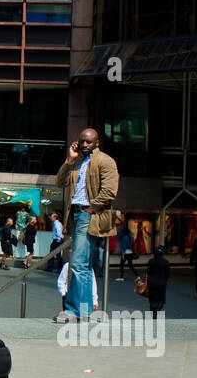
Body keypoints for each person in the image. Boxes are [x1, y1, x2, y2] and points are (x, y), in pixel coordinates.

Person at [53, 128, 120, 323]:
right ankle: (86, 311)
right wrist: (69, 160)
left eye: (88, 142)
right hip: (76, 216)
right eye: (81, 141)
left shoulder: (105, 161)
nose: (84, 145)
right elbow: (60, 182)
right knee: (84, 264)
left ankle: (75, 311)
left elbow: (110, 192)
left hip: (88, 216)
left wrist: (91, 209)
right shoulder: (77, 163)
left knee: (78, 264)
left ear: (97, 143)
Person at [144, 245, 170, 315]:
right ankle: (157, 310)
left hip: (151, 282)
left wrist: (146, 281)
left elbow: (148, 272)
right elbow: (167, 274)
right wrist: (165, 280)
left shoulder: (151, 261)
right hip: (161, 282)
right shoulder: (166, 262)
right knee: (161, 299)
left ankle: (153, 311)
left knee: (152, 299)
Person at [115, 212, 139, 280]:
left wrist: (122, 253)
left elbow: (125, 246)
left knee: (122, 265)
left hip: (126, 252)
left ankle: (122, 277)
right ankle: (137, 276)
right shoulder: (129, 235)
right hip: (130, 252)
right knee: (130, 265)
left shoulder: (124, 237)